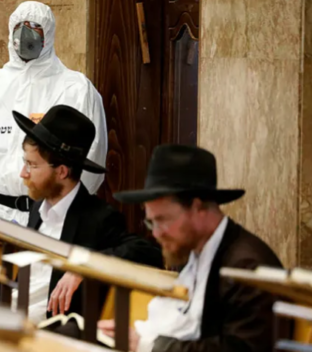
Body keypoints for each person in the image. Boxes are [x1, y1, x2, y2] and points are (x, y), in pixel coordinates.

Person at [97, 144, 283, 352]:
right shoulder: (197, 249)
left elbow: (241, 349)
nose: (156, 233)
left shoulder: (246, 267)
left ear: (198, 207)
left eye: (163, 220)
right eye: (151, 223)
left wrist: (148, 345)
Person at [0, 1, 107, 226]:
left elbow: (91, 158)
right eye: (20, 26)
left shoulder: (76, 89)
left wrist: (58, 215)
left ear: (49, 34)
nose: (25, 34)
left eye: (34, 27)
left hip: (54, 221)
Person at [13, 104, 163, 324]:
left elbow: (150, 253)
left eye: (32, 165)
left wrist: (84, 266)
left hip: (49, 334)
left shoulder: (99, 217)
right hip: (9, 315)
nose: (23, 173)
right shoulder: (37, 208)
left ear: (62, 171)